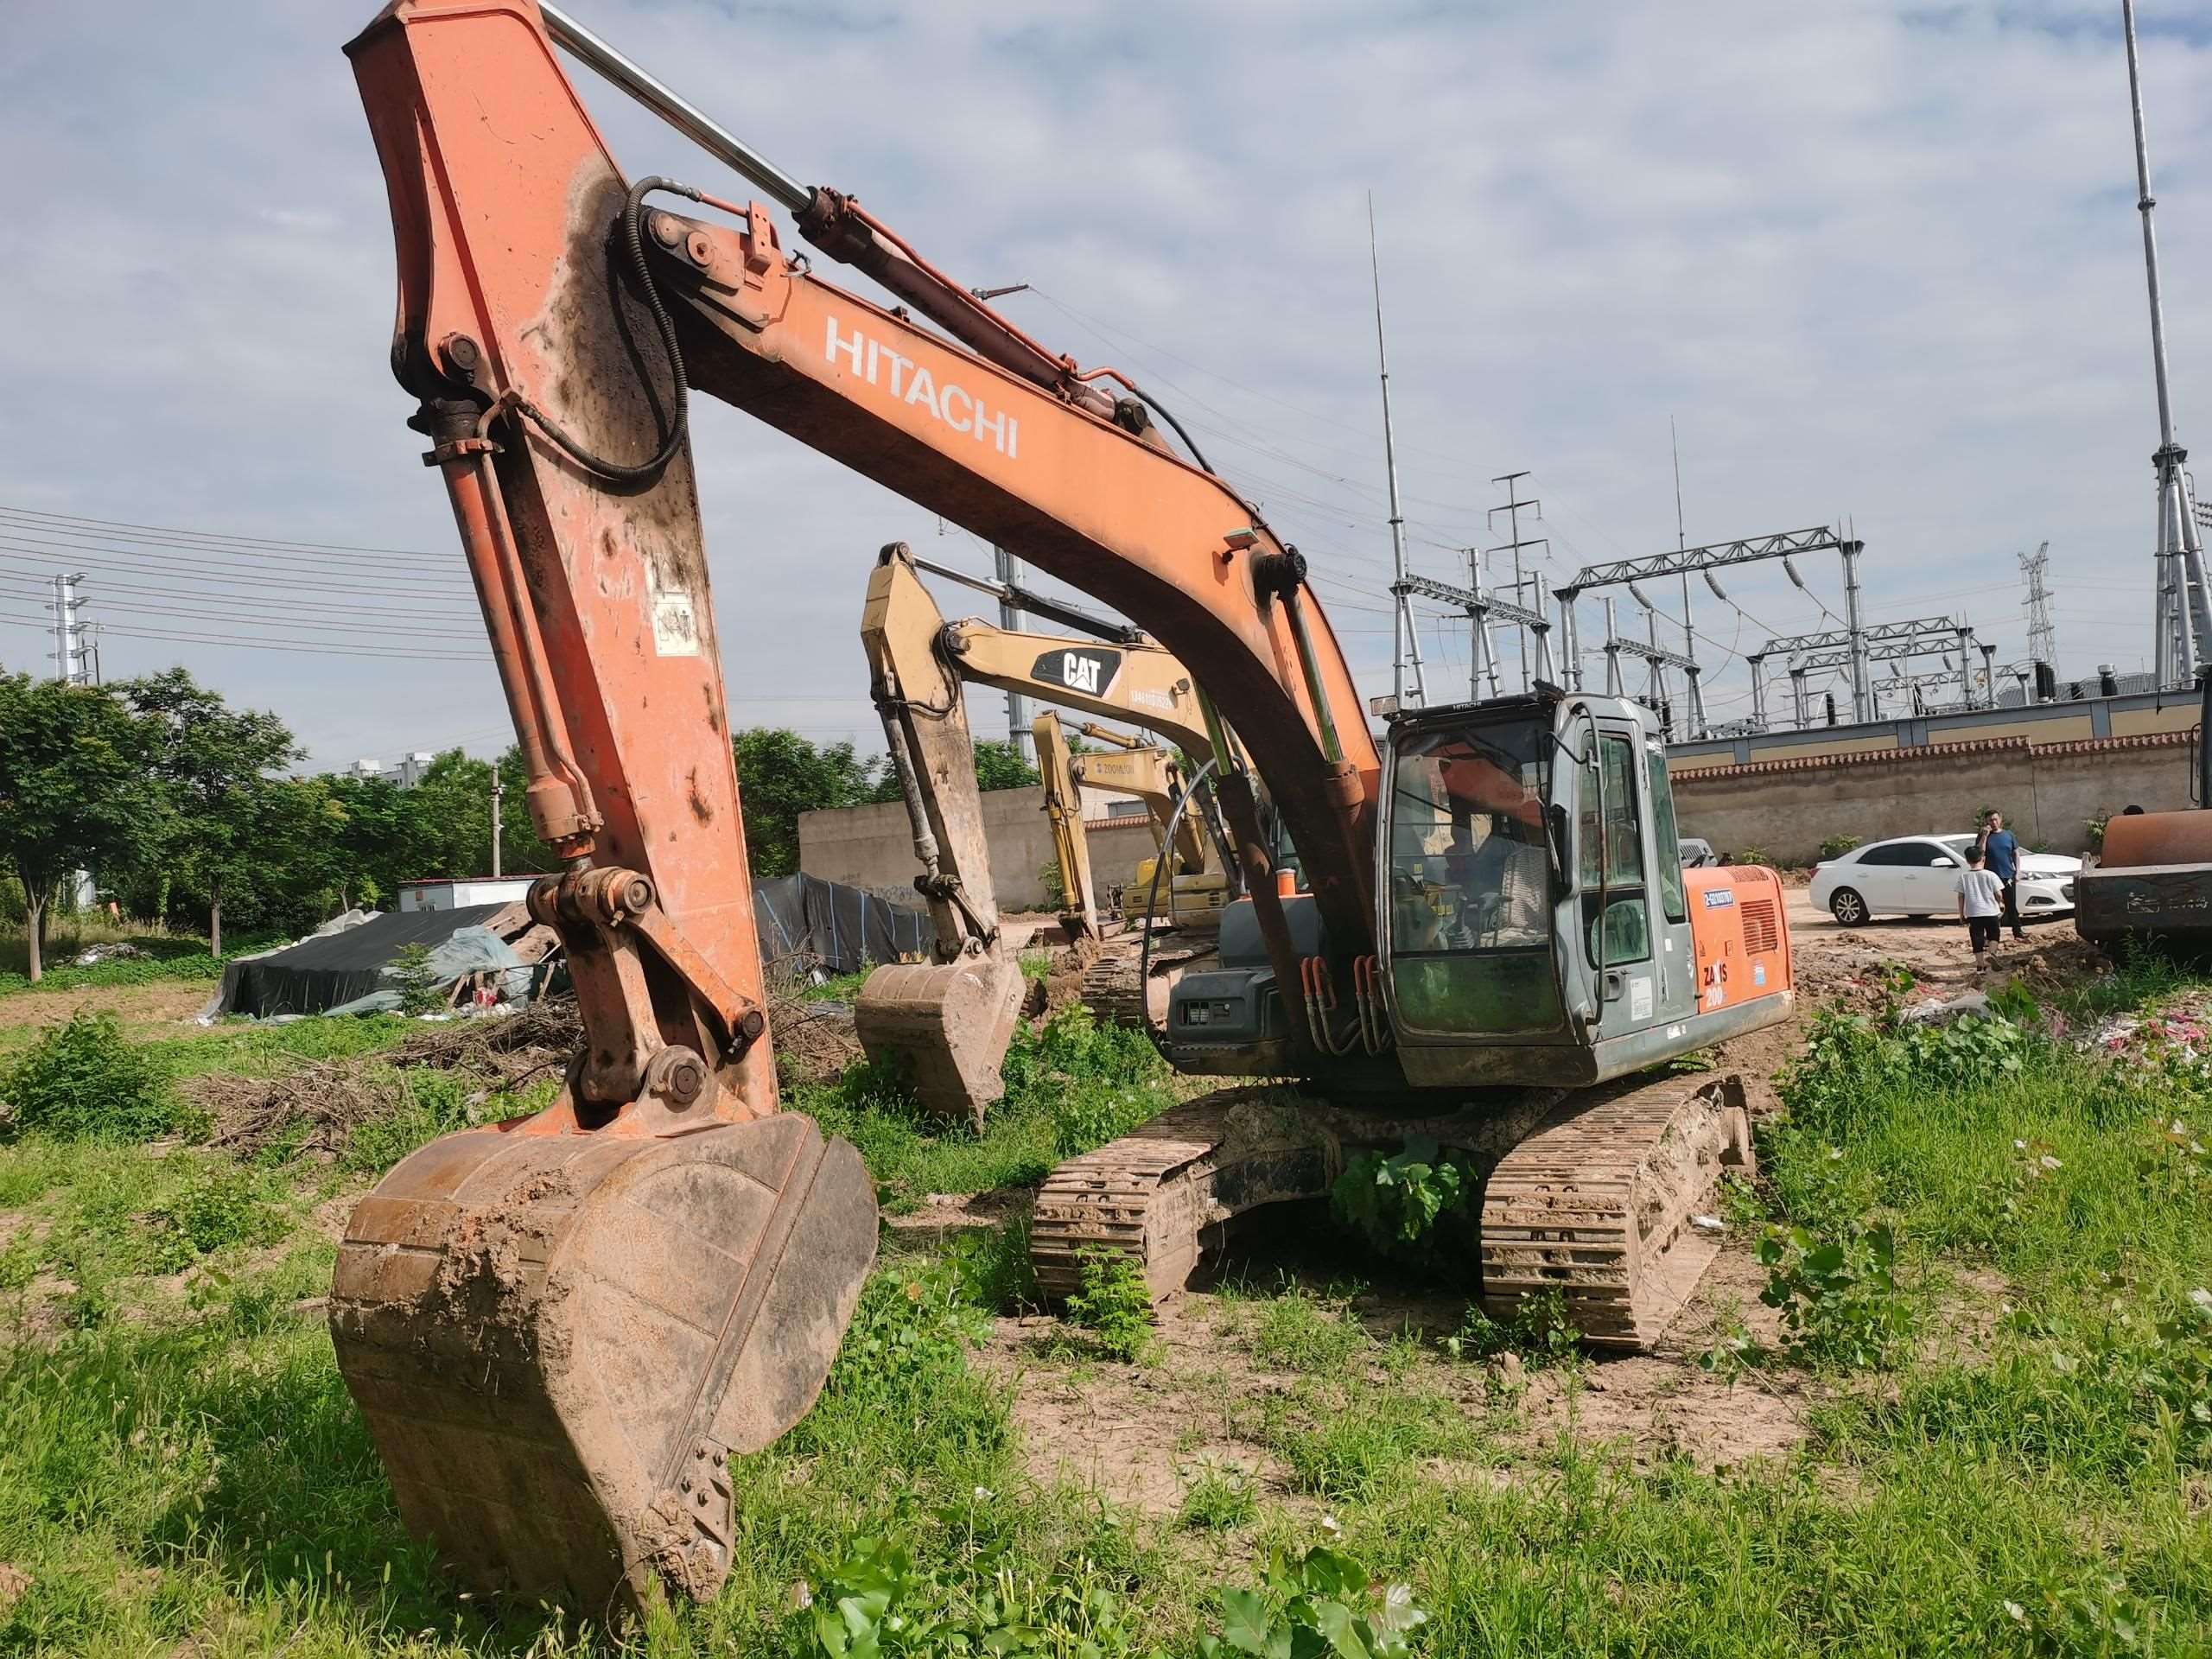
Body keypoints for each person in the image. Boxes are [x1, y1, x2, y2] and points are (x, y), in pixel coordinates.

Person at [1976, 810, 2026, 943]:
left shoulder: (2008, 834)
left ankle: (2018, 932)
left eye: (1995, 819)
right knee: (1991, 907)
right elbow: (1980, 852)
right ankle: (1991, 936)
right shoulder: (1983, 835)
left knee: (2011, 905)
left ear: (2000, 819)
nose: (1993, 822)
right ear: (1986, 822)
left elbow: (2015, 853)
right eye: (1990, 820)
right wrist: (1985, 836)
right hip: (1990, 877)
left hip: (2007, 875)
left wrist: (2018, 871)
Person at [1956, 846, 2004, 972]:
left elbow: (1961, 897)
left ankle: (1980, 965)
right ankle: (1992, 953)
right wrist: (1998, 905)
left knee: (1977, 938)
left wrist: (1961, 914)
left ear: (1967, 860)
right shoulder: (1991, 875)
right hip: (1991, 911)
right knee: (1994, 934)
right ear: (1983, 859)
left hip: (1973, 913)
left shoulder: (1963, 877)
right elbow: (1999, 894)